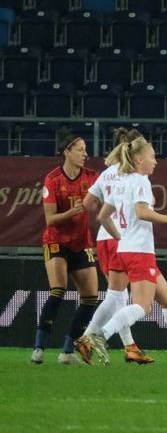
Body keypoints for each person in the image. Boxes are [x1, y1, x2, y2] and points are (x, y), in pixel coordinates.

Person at [78, 136, 167, 366]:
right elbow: (142, 212)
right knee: (142, 307)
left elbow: (102, 215)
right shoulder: (140, 181)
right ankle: (99, 335)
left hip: (125, 250)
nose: (156, 162)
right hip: (139, 252)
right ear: (138, 159)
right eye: (152, 157)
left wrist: (121, 237)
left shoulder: (121, 181)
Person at [78, 127, 155, 364]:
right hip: (126, 238)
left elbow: (88, 203)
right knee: (125, 299)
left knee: (117, 297)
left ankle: (126, 346)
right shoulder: (135, 176)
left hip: (105, 236)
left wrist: (109, 205)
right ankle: (91, 337)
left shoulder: (109, 172)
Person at [33, 131, 99, 366]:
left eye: (85, 149)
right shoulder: (53, 179)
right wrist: (72, 212)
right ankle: (39, 347)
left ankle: (67, 351)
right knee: (58, 290)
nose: (85, 154)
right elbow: (50, 219)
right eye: (80, 149)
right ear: (67, 152)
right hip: (56, 241)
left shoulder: (92, 177)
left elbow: (102, 199)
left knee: (91, 297)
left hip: (82, 243)